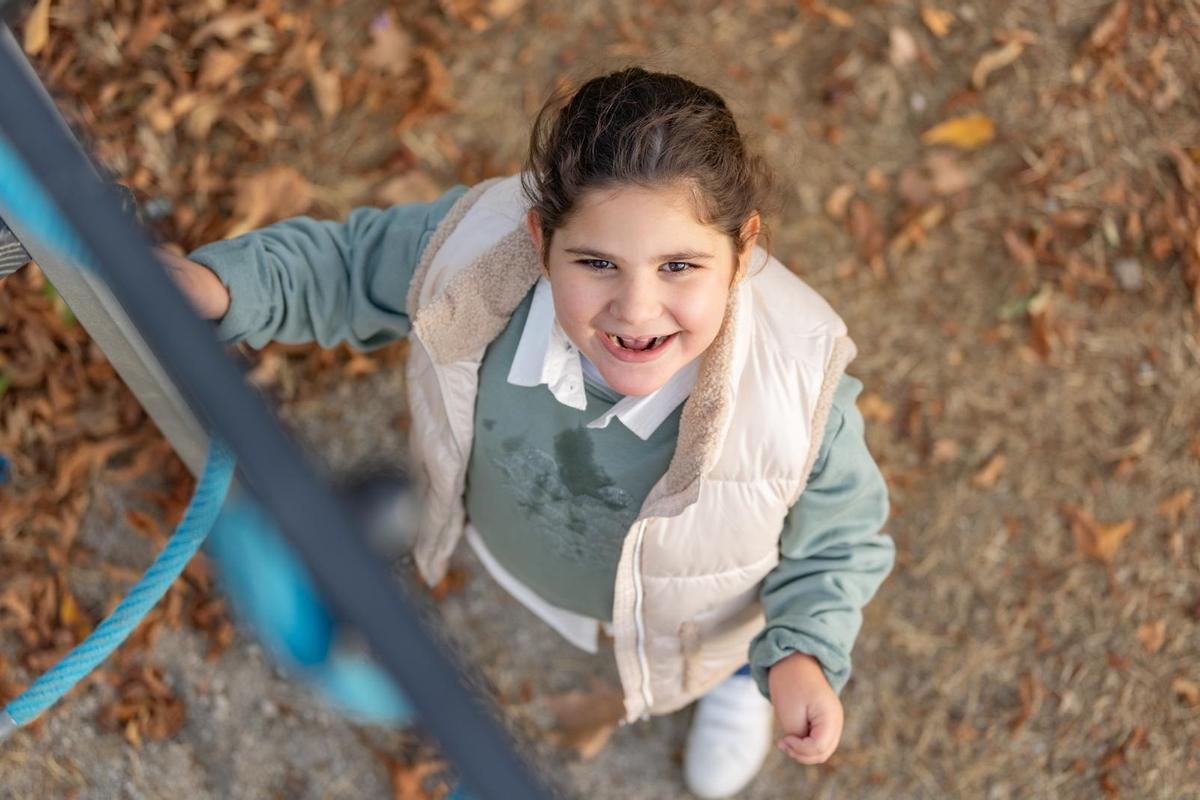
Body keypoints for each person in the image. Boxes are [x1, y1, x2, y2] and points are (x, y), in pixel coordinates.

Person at [163, 67, 895, 799]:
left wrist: (802, 654)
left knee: (724, 647)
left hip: (698, 611)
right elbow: (349, 267)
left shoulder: (800, 396)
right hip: (523, 542)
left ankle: (738, 682)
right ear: (541, 240)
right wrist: (226, 289)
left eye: (679, 266)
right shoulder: (474, 254)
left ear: (742, 248)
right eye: (597, 264)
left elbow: (839, 539)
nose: (637, 311)